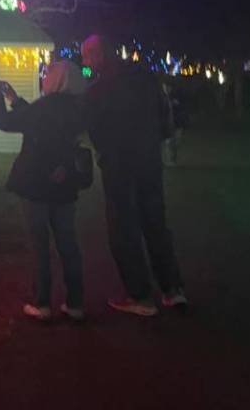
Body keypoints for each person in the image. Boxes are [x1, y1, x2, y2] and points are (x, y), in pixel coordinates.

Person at [81, 34, 186, 317]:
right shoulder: (146, 80)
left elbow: (95, 129)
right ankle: (171, 288)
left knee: (123, 228)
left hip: (119, 165)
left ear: (99, 55)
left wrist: (105, 153)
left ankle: (139, 295)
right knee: (155, 223)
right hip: (149, 160)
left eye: (87, 56)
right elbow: (165, 119)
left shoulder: (98, 90)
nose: (85, 61)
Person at [0, 61, 87, 322]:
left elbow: (5, 122)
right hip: (65, 183)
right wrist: (15, 98)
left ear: (54, 80)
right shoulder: (78, 109)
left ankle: (42, 302)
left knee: (40, 244)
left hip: (36, 182)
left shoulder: (44, 108)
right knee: (68, 244)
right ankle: (75, 303)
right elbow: (39, 122)